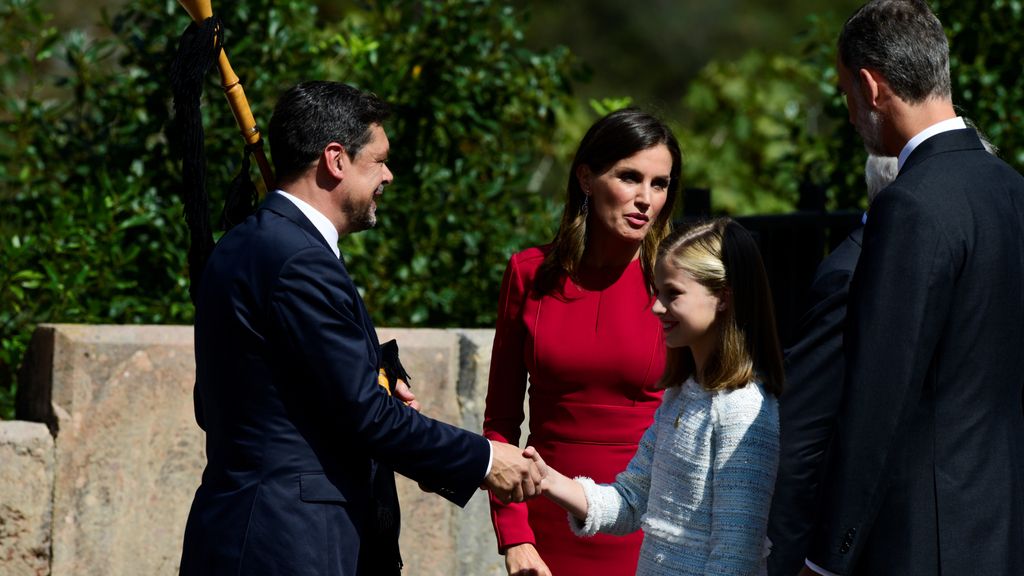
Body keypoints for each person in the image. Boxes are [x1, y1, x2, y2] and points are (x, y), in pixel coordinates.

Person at [178, 80, 546, 576]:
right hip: (285, 542)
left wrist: (370, 378)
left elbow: (253, 395)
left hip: (247, 533)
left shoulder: (250, 243)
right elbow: (365, 416)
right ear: (336, 159)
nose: (388, 175)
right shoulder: (298, 260)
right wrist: (484, 461)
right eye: (378, 160)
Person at [802, 1, 1024, 574]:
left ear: (872, 86)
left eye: (847, 91)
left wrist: (828, 557)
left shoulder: (910, 204)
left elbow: (879, 394)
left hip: (924, 541)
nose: (850, 112)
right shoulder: (1012, 189)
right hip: (1003, 526)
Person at [482, 108, 681, 576]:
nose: (645, 199)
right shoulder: (528, 273)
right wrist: (514, 537)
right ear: (586, 179)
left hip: (650, 531)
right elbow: (501, 424)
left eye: (660, 183)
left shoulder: (680, 286)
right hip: (547, 529)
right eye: (629, 177)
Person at [535, 218, 784, 576]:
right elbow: (631, 502)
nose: (656, 307)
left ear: (724, 297)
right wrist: (548, 479)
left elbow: (735, 558)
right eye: (657, 291)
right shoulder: (682, 394)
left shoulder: (742, 409)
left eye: (673, 293)